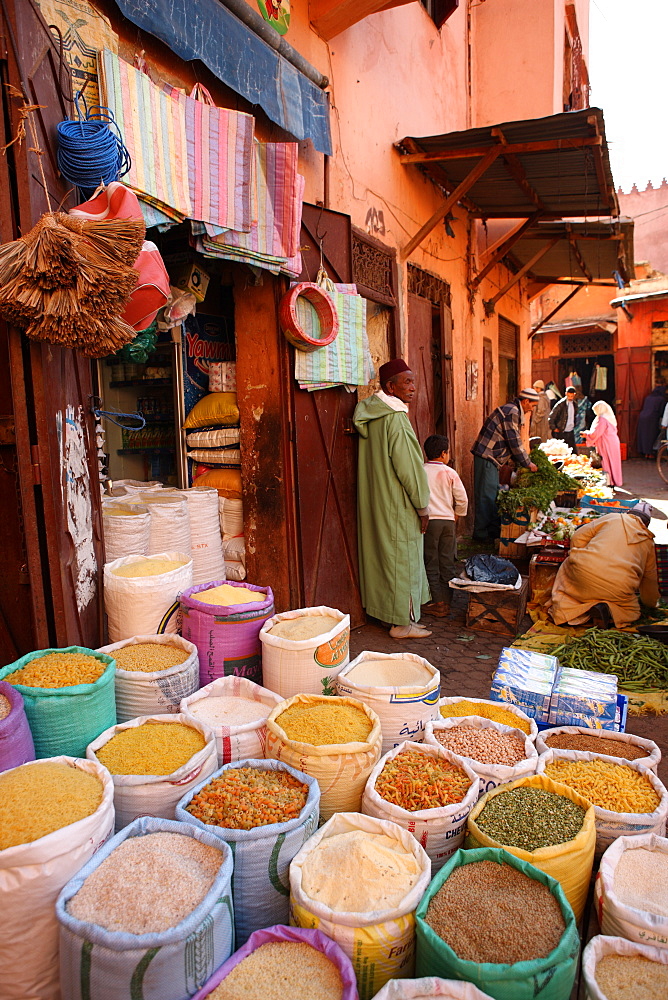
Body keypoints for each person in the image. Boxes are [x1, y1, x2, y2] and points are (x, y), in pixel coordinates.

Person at [354, 359, 432, 639]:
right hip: (399, 504)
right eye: (406, 382)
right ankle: (402, 623)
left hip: (378, 502)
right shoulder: (396, 419)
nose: (413, 387)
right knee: (403, 560)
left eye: (413, 380)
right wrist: (422, 506)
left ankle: (396, 617)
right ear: (390, 386)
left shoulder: (372, 416)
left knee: (386, 559)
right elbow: (410, 469)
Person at [548, 506, 659, 628]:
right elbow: (650, 580)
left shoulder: (613, 517)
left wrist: (580, 553)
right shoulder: (649, 543)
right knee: (632, 611)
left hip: (584, 574)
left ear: (628, 513)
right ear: (646, 524)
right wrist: (651, 604)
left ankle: (568, 611)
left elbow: (577, 537)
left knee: (568, 573)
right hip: (618, 588)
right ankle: (606, 609)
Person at [471, 388, 539, 541]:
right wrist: (527, 463)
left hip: (492, 458)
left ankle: (490, 531)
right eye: (532, 406)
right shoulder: (511, 411)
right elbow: (514, 441)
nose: (532, 410)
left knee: (491, 494)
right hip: (487, 456)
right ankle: (481, 535)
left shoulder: (513, 410)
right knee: (486, 496)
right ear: (526, 401)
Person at [421, 434, 468, 617]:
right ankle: (448, 602)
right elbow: (462, 499)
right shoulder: (450, 473)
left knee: (431, 561)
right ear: (443, 454)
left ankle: (436, 602)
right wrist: (457, 514)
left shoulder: (421, 470)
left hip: (429, 522)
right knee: (447, 561)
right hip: (448, 522)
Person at [584, 401, 623, 487]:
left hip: (606, 443)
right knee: (614, 461)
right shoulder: (609, 417)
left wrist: (586, 434)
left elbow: (596, 433)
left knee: (606, 461)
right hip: (613, 442)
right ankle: (616, 480)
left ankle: (609, 482)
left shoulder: (602, 419)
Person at [636, 383, 668, 458]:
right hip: (652, 418)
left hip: (642, 417)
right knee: (651, 436)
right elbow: (661, 411)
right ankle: (650, 453)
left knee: (644, 435)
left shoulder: (648, 397)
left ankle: (644, 453)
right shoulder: (661, 399)